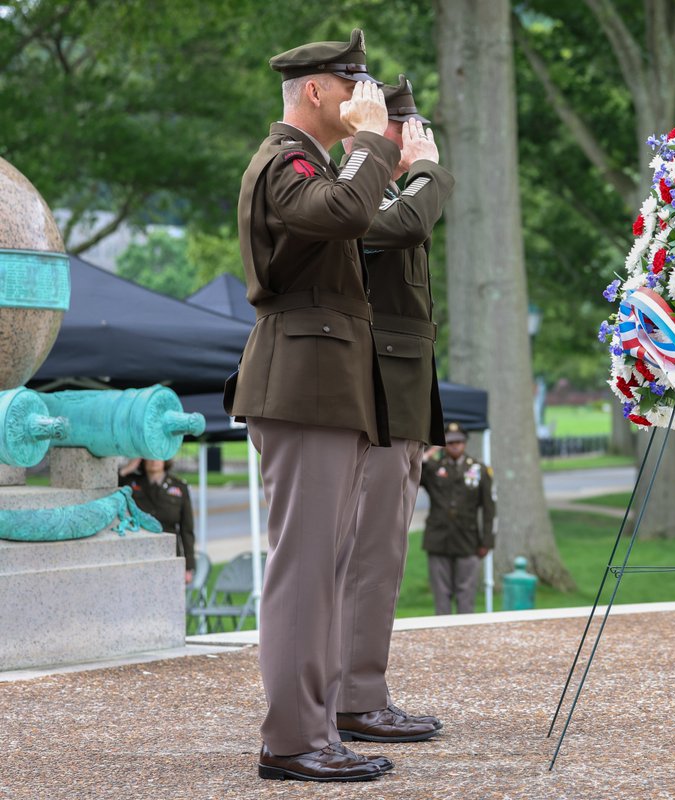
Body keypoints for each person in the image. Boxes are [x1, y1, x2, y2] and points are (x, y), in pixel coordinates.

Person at [224, 29, 402, 783]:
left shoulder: (316, 164)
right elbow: (344, 215)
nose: (366, 99)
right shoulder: (285, 163)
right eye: (353, 84)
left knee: (323, 570)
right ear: (316, 92)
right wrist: (375, 147)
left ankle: (316, 730)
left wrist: (366, 151)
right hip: (302, 384)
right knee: (304, 571)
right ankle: (293, 740)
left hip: (323, 385)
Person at [335, 76, 455, 746]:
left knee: (378, 557)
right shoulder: (361, 194)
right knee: (370, 557)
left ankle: (356, 692)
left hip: (397, 403)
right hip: (374, 403)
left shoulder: (384, 192)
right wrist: (428, 169)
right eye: (406, 127)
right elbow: (409, 224)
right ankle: (356, 698)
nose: (417, 138)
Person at [420, 422, 496, 615]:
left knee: (466, 595)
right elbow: (413, 472)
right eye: (450, 442)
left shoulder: (478, 469)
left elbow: (489, 509)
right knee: (441, 596)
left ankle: (465, 639)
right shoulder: (433, 467)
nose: (455, 446)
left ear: (465, 443)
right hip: (439, 539)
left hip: (468, 540)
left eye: (459, 442)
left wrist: (487, 541)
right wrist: (429, 452)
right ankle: (443, 639)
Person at [118, 458, 195, 585]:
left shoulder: (179, 487)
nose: (154, 460)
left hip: (169, 552)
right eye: (149, 456)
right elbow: (108, 486)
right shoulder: (131, 482)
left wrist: (188, 566)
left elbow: (187, 530)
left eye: (159, 456)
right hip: (138, 551)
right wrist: (127, 468)